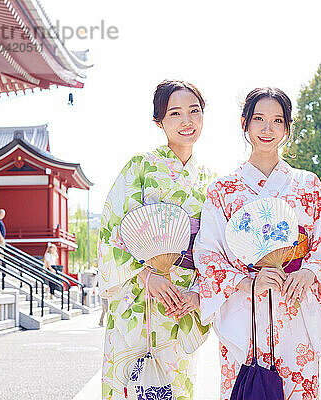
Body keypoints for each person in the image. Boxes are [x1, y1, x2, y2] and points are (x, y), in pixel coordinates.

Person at [194, 87, 321, 400]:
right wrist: (246, 282)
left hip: (295, 308)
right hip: (244, 313)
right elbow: (208, 252)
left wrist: (310, 271)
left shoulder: (307, 184)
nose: (267, 129)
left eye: (277, 120)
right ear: (244, 123)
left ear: (287, 128)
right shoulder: (224, 190)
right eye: (258, 119)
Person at [97, 80, 214, 400]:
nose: (187, 121)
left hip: (182, 300)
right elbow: (111, 230)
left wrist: (200, 295)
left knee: (177, 386)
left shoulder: (211, 180)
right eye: (175, 113)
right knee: (132, 383)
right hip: (139, 297)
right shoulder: (140, 167)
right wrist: (147, 274)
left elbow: (216, 248)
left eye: (195, 111)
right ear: (159, 121)